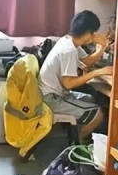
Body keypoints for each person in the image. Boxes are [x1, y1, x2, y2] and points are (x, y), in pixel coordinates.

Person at [38, 11, 113, 141]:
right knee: (98, 114)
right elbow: (68, 84)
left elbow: (85, 62)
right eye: (93, 33)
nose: (95, 36)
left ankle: (76, 133)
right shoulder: (69, 50)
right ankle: (78, 142)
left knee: (90, 99)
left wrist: (101, 49)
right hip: (52, 98)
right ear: (87, 33)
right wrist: (98, 72)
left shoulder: (68, 40)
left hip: (53, 93)